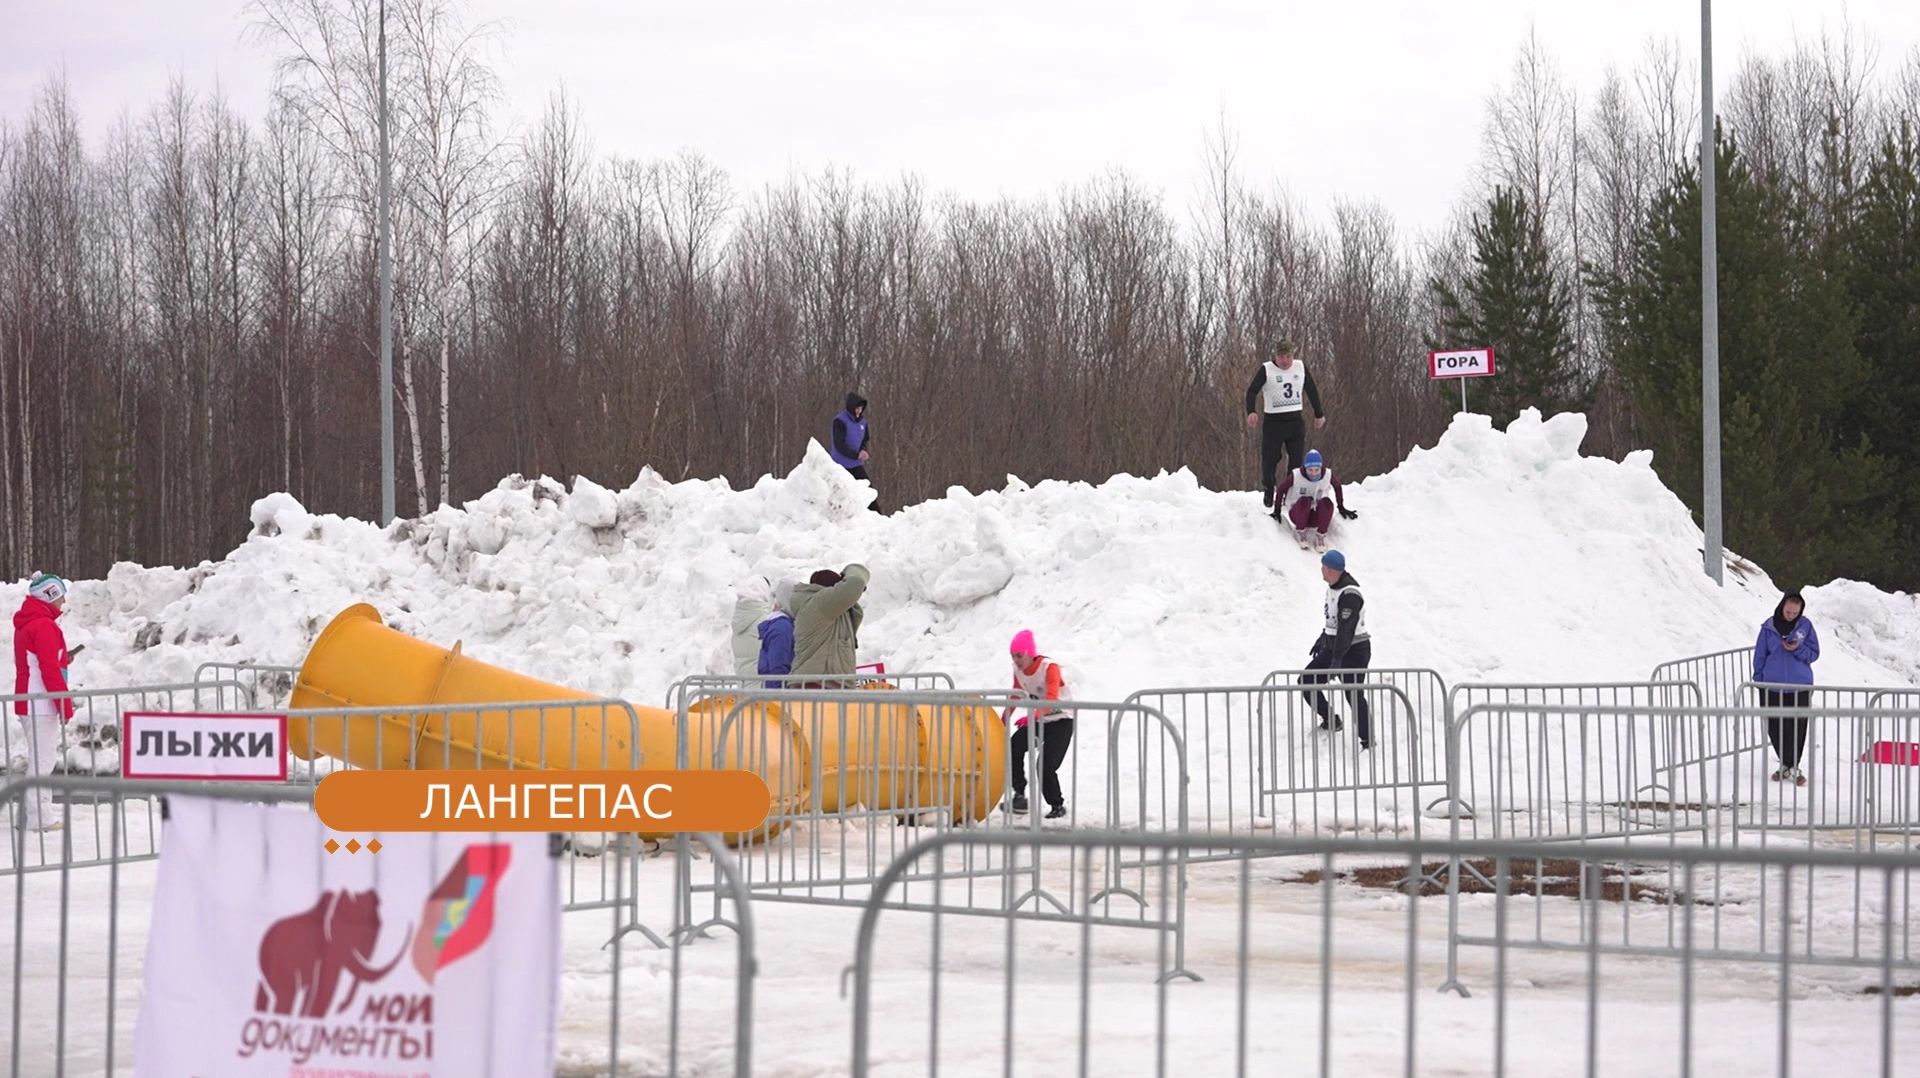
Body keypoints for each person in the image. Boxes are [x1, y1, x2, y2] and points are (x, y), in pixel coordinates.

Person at [12, 574, 75, 833]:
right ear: (49, 595)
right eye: (60, 595)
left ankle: (31, 814)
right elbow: (48, 670)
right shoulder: (43, 626)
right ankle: (40, 818)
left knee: (40, 759)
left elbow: (41, 663)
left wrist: (62, 660)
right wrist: (64, 703)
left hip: (31, 700)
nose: (64, 601)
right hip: (40, 703)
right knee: (43, 762)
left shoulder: (30, 623)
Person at [1300, 550, 1372, 750]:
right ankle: (1331, 720)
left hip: (1354, 650)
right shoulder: (1333, 587)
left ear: (1332, 570)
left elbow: (1347, 630)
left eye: (1324, 567)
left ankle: (1367, 741)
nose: (1321, 570)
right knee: (1306, 681)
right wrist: (1322, 638)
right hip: (1335, 647)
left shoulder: (1350, 595)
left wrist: (1336, 661)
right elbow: (1334, 622)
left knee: (1353, 694)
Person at [1243, 340, 1326, 508]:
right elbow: (1252, 391)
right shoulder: (1267, 369)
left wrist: (1319, 414)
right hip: (1273, 423)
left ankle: (1289, 492)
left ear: (1293, 356)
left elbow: (1311, 389)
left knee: (1296, 461)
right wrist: (1251, 411)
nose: (1285, 361)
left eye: (1288, 357)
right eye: (1281, 357)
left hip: (1295, 421)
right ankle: (1268, 489)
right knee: (1270, 459)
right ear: (1276, 356)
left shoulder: (1300, 367)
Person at [1000, 630, 1072, 820]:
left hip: (1061, 721)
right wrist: (1004, 718)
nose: (1016, 660)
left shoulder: (1050, 667)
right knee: (1014, 746)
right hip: (1040, 721)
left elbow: (1052, 698)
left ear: (1030, 653)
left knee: (1045, 765)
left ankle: (1057, 805)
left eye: (1019, 655)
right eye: (1013, 656)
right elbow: (1016, 693)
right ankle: (1020, 795)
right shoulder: (1019, 670)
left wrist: (1033, 717)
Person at [1752, 590, 1819, 786]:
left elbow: (1814, 653)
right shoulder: (1768, 627)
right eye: (1788, 612)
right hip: (1772, 685)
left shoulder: (1805, 626)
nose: (1790, 615)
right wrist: (1758, 679)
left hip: (1800, 685)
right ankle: (1785, 762)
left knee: (1797, 727)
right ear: (1782, 607)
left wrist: (1797, 649)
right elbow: (1760, 654)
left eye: (1794, 613)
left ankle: (1793, 765)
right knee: (1775, 726)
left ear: (1800, 611)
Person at [788, 564, 870, 686]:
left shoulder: (826, 611)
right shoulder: (819, 603)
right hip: (817, 685)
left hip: (823, 685)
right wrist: (850, 572)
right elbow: (855, 584)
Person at [1274, 449, 1358, 551]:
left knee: (1326, 502)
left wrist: (1341, 506)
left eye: (1316, 470)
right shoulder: (1296, 476)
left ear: (1321, 467)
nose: (1313, 473)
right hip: (1298, 514)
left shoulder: (1327, 475)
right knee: (1305, 501)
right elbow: (1281, 489)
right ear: (1305, 468)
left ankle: (1321, 535)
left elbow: (1337, 487)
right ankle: (1301, 532)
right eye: (1310, 470)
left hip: (1316, 516)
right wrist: (1277, 510)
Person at [830, 392, 881, 513]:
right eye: (857, 408)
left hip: (856, 464)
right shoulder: (840, 421)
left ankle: (879, 518)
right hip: (840, 464)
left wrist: (863, 450)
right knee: (841, 494)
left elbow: (865, 439)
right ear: (851, 407)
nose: (859, 411)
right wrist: (855, 454)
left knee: (867, 491)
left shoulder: (863, 422)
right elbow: (839, 444)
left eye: (861, 408)